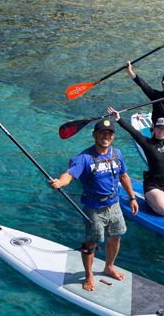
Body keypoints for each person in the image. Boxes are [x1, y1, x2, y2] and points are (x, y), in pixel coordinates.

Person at [49, 118, 138, 292]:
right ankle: (89, 275)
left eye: (109, 134)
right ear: (94, 135)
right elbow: (69, 174)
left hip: (115, 204)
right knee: (90, 244)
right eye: (102, 133)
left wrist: (132, 198)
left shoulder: (116, 153)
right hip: (94, 208)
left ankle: (109, 267)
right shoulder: (84, 157)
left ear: (113, 136)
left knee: (116, 236)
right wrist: (59, 182)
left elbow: (124, 176)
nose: (106, 136)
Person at [108, 90, 164, 217]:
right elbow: (133, 131)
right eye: (159, 127)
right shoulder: (147, 142)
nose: (162, 130)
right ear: (154, 128)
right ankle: (149, 199)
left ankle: (163, 197)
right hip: (152, 184)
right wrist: (118, 119)